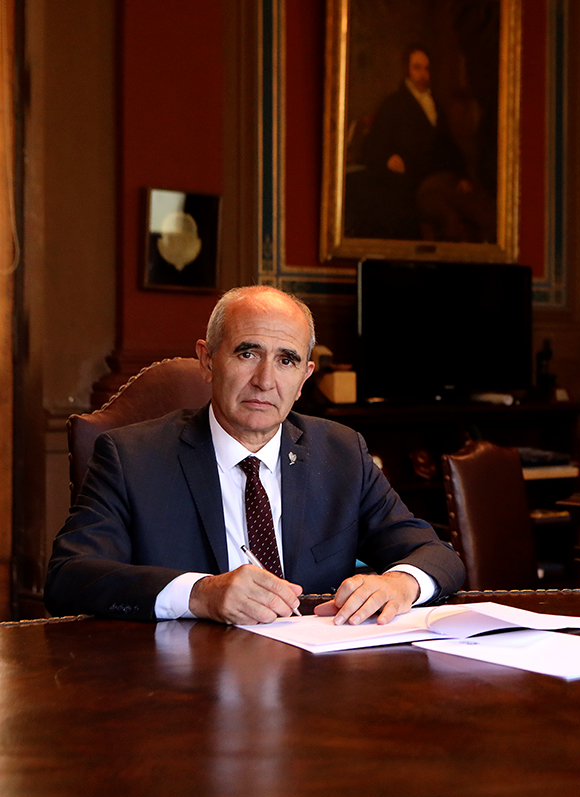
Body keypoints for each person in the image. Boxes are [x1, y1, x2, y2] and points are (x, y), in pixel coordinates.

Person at [45, 286, 465, 625]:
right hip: (184, 682)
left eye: (286, 360)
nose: (265, 380)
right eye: (247, 353)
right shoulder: (131, 457)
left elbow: (436, 554)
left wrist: (401, 584)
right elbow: (69, 576)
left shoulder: (341, 452)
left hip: (316, 679)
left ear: (304, 378)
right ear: (207, 361)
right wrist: (200, 594)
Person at [353, 44, 496, 243]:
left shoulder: (435, 104)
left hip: (445, 179)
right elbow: (371, 146)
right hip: (417, 185)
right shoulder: (394, 104)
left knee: (485, 212)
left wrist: (463, 176)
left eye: (427, 69)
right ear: (407, 70)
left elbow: (450, 146)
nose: (423, 75)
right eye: (417, 68)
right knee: (450, 219)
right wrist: (388, 159)